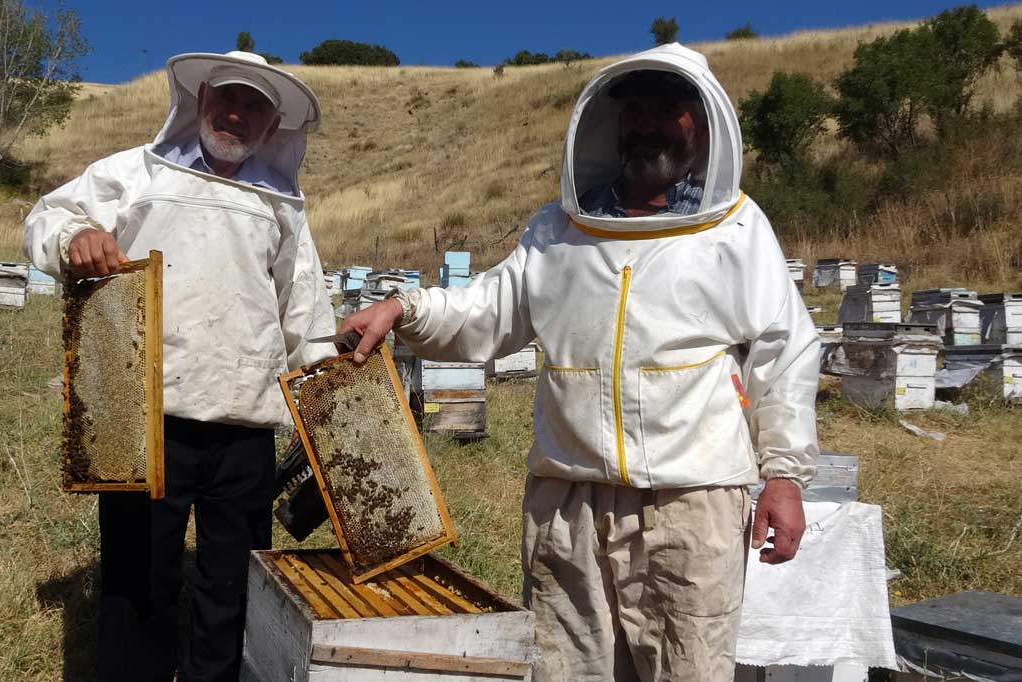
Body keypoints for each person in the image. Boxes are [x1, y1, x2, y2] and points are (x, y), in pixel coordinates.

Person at [341, 43, 820, 682]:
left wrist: (784, 476)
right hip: (566, 502)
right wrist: (405, 307)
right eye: (635, 110)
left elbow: (783, 354)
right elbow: (486, 310)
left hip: (689, 501)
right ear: (613, 123)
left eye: (667, 110)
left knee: (687, 669)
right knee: (566, 670)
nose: (647, 123)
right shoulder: (559, 230)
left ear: (702, 125)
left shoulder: (735, 230)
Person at [23, 51, 337, 682]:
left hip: (244, 424)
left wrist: (328, 384)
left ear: (272, 125)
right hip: (143, 416)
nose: (237, 114)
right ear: (201, 102)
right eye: (228, 98)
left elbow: (303, 308)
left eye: (254, 105)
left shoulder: (280, 202)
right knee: (138, 578)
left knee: (233, 585)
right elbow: (46, 217)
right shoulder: (135, 172)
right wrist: (75, 238)